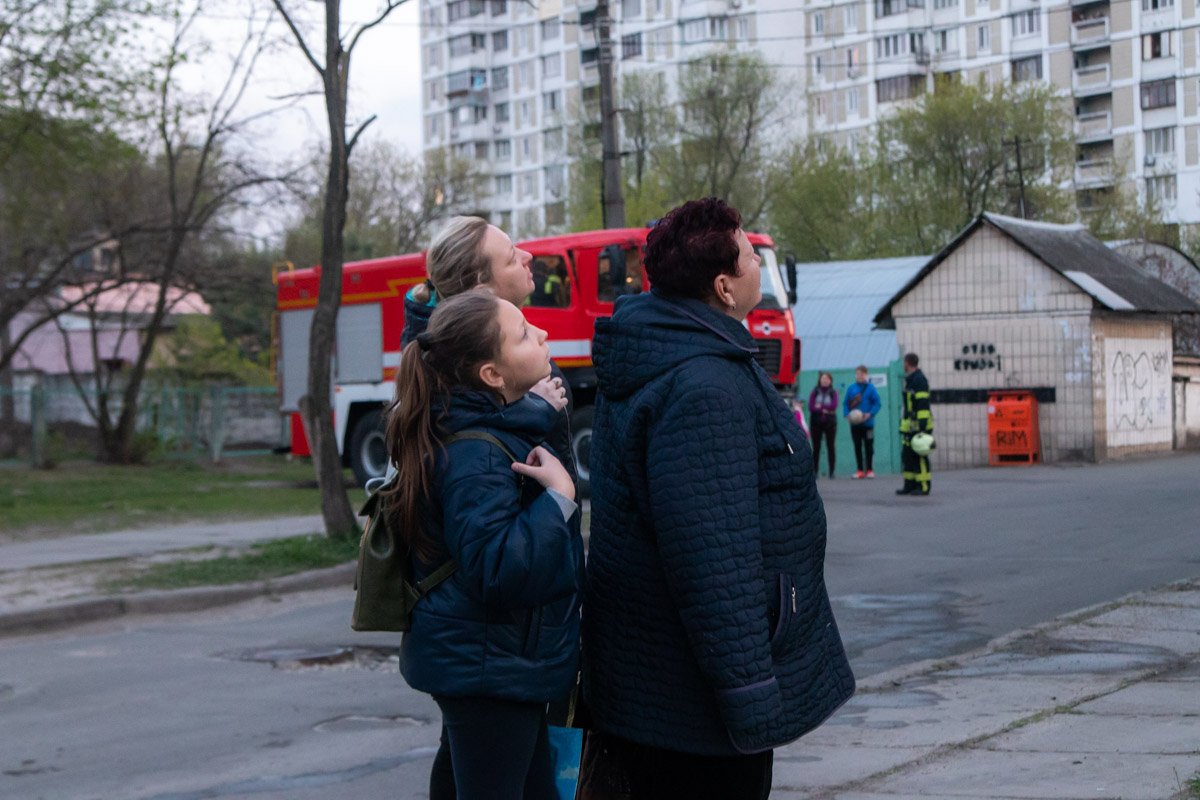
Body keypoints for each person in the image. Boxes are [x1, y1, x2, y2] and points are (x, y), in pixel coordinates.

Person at [584, 197, 855, 799]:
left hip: (667, 689)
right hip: (693, 708)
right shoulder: (703, 388)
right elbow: (713, 563)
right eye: (751, 255)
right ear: (724, 287)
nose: (758, 263)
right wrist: (750, 696)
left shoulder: (691, 356)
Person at [384, 290, 585, 799]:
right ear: (492, 375)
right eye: (524, 334)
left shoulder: (483, 431)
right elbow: (498, 568)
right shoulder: (477, 456)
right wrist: (558, 498)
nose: (542, 334)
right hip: (489, 669)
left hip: (498, 664)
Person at [402, 215, 576, 481]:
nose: (528, 256)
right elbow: (485, 457)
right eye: (511, 258)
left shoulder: (469, 351)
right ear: (481, 291)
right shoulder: (454, 370)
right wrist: (533, 409)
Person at [897, 352, 933, 495]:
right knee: (907, 456)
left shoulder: (919, 380)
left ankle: (923, 486)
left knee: (919, 457)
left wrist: (922, 428)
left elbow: (923, 404)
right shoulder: (911, 380)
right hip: (909, 426)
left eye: (904, 363)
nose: (903, 365)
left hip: (919, 426)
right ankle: (909, 485)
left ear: (907, 363)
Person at [843, 365, 882, 479]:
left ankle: (869, 470)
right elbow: (846, 403)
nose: (859, 376)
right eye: (857, 374)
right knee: (857, 446)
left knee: (869, 446)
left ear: (866, 375)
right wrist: (846, 414)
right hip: (855, 424)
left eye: (861, 374)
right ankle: (860, 470)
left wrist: (870, 414)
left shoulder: (871, 388)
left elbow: (877, 403)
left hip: (868, 423)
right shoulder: (851, 388)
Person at [808, 372, 838, 478]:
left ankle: (832, 472)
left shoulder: (833, 392)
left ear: (830, 381)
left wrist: (819, 406)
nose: (825, 380)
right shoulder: (815, 392)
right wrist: (823, 409)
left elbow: (834, 406)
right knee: (816, 448)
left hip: (830, 422)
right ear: (820, 380)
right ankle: (815, 471)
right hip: (815, 422)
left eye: (827, 379)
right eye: (823, 378)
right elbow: (811, 407)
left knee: (831, 447)